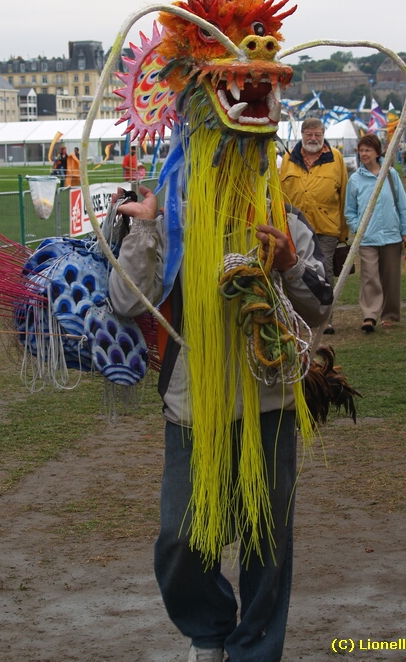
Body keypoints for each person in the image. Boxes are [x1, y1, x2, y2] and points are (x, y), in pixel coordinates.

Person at [109, 178, 332, 662]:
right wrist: (144, 232)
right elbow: (126, 303)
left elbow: (321, 306)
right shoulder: (169, 220)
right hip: (192, 407)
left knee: (266, 541)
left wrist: (290, 265)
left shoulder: (285, 219)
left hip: (271, 405)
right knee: (181, 537)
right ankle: (208, 633)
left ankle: (254, 649)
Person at [279, 116, 348, 335]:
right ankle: (298, 316)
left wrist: (343, 233)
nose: (313, 138)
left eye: (318, 134)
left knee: (324, 269)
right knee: (296, 269)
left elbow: (343, 193)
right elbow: (279, 192)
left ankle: (325, 318)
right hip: (296, 226)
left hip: (327, 227)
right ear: (302, 135)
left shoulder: (336, 158)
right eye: (309, 134)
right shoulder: (289, 158)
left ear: (323, 135)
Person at [345, 134, 406, 332]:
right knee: (369, 276)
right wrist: (358, 229)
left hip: (391, 235)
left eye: (368, 150)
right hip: (367, 238)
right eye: (361, 150)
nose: (364, 154)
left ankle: (389, 315)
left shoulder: (390, 174)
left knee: (390, 277)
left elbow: (402, 204)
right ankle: (369, 316)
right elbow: (349, 211)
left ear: (377, 152)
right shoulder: (355, 179)